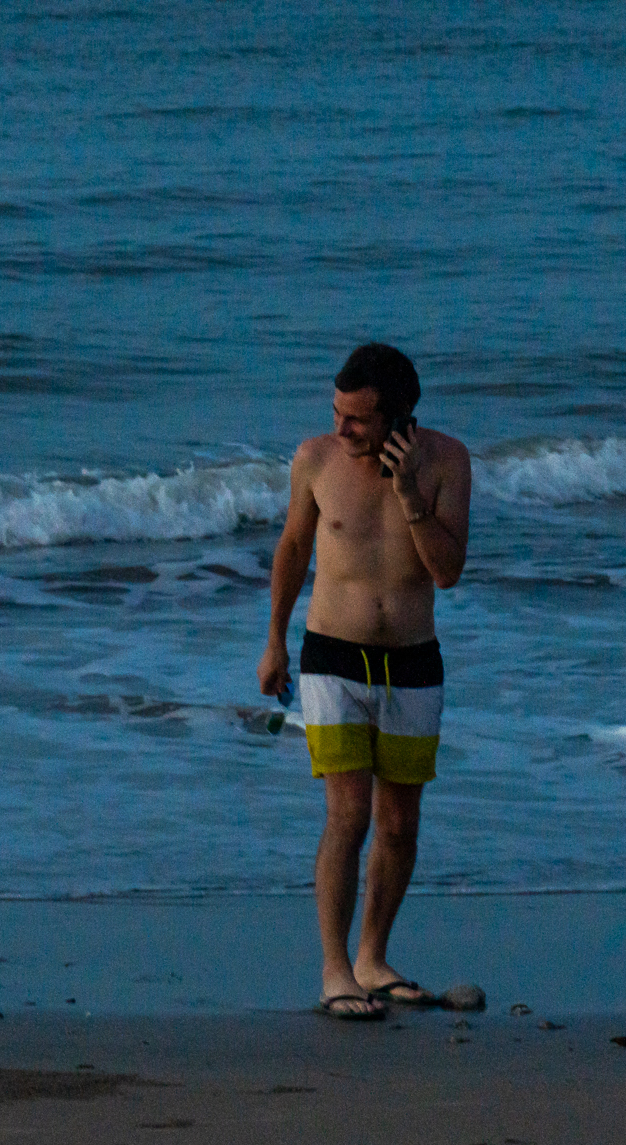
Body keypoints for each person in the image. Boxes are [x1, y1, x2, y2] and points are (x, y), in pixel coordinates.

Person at [257, 344, 471, 1019]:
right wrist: (274, 640)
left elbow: (447, 572)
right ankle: (335, 969)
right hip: (332, 656)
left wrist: (408, 494)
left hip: (412, 660)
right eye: (336, 413)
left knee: (399, 824)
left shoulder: (447, 462)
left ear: (400, 418)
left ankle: (373, 959)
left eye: (358, 419)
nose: (342, 428)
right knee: (347, 814)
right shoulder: (314, 459)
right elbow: (294, 547)